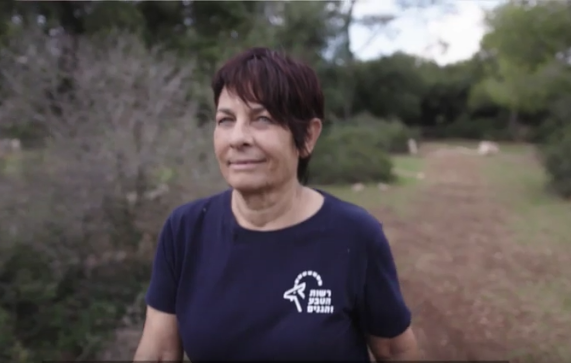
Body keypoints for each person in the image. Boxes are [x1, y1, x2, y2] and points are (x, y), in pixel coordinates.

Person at [133, 47, 419, 362]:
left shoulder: (354, 234)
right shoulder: (185, 230)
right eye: (226, 120)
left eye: (263, 119)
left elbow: (395, 351)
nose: (237, 138)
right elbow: (158, 352)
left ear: (308, 136)